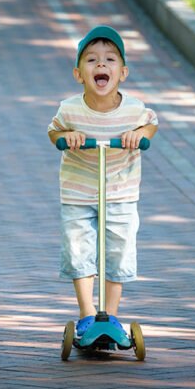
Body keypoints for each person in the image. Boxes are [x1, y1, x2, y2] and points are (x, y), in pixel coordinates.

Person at [47, 25, 158, 337]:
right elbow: (53, 130)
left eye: (110, 60)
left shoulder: (134, 108)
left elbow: (152, 124)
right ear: (78, 74)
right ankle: (86, 315)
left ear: (122, 72)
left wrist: (139, 135)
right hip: (77, 191)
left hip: (121, 192)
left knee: (119, 251)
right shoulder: (69, 108)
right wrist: (66, 136)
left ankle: (110, 317)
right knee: (77, 248)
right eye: (92, 60)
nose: (101, 65)